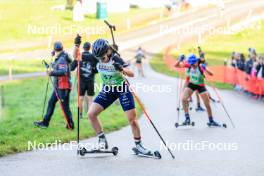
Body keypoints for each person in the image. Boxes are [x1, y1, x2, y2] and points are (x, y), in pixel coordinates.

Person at [88, 39, 153, 154]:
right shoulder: (96, 58)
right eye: (98, 58)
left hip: (121, 88)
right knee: (91, 114)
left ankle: (139, 146)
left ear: (108, 51)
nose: (101, 60)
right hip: (108, 89)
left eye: (103, 58)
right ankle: (102, 140)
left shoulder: (115, 59)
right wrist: (77, 45)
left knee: (132, 119)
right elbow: (77, 58)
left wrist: (121, 69)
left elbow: (131, 74)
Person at [34, 41, 74, 129]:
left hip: (63, 87)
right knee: (51, 102)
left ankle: (70, 125)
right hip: (59, 86)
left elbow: (63, 72)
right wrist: (49, 66)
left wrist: (51, 72)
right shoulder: (60, 57)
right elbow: (57, 66)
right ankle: (45, 122)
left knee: (65, 107)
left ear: (55, 49)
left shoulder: (62, 59)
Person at [175, 54, 221, 126]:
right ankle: (187, 119)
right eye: (191, 63)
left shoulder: (201, 67)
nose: (192, 65)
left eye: (193, 63)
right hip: (192, 84)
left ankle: (211, 120)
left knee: (207, 104)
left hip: (200, 86)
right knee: (183, 99)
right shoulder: (189, 65)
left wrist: (206, 69)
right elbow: (176, 66)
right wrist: (180, 60)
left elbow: (211, 74)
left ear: (196, 62)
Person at [71, 35, 98, 119]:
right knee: (90, 100)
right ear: (89, 48)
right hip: (90, 81)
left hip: (81, 81)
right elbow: (97, 70)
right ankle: (90, 116)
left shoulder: (79, 56)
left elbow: (71, 68)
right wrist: (92, 70)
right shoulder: (94, 57)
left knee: (80, 98)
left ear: (83, 48)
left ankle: (80, 114)